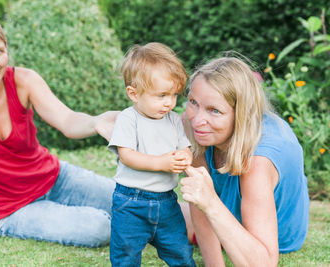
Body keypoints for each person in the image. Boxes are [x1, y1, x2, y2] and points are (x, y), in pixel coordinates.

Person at [0, 12, 118, 262]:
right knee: (99, 228)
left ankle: (188, 229)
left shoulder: (24, 80)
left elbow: (67, 120)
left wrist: (96, 121)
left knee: (128, 196)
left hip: (54, 177)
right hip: (10, 209)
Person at [180, 56, 310, 266]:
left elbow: (265, 262)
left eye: (215, 110)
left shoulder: (258, 161)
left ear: (241, 114)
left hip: (270, 238)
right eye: (193, 102)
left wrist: (211, 202)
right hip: (226, 213)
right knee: (142, 208)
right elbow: (198, 198)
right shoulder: (194, 125)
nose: (197, 119)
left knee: (153, 218)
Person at [108, 42, 196, 267]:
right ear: (134, 93)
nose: (169, 102)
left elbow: (184, 147)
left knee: (180, 250)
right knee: (125, 253)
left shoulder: (174, 120)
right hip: (130, 202)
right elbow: (127, 155)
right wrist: (161, 163)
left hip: (167, 202)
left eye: (174, 94)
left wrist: (185, 156)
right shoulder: (129, 119)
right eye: (162, 95)